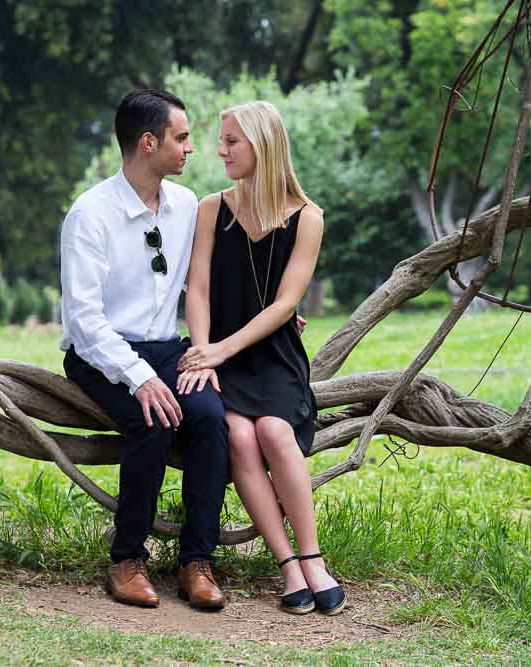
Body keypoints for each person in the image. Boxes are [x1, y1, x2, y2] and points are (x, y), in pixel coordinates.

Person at [60, 89, 229, 611]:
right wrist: (138, 376)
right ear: (148, 142)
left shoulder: (184, 205)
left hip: (165, 348)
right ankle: (126, 560)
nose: (190, 149)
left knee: (208, 418)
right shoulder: (90, 215)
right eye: (182, 138)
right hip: (100, 353)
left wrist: (274, 312)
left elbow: (204, 284)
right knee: (152, 422)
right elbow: (84, 322)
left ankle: (196, 561)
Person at [176, 100, 346, 616]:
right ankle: (286, 564)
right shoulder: (212, 208)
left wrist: (218, 352)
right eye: (222, 140)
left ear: (263, 145)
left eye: (231, 141)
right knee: (243, 437)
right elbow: (198, 288)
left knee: (273, 430)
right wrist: (205, 355)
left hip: (273, 358)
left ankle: (313, 558)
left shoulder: (308, 218)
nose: (220, 150)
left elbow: (286, 305)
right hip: (218, 353)